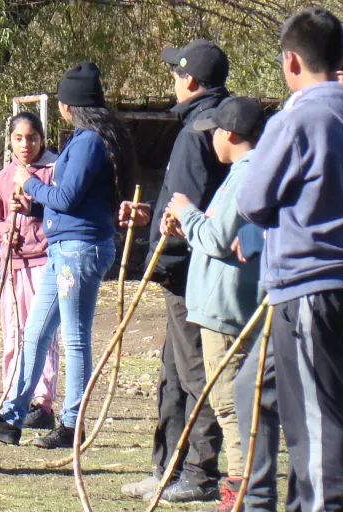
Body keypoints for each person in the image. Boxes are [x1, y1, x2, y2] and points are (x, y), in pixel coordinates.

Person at [0, 61, 132, 450]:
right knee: (34, 334)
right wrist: (35, 207)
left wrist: (29, 184)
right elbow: (69, 202)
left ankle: (72, 422)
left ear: (67, 104)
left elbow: (67, 197)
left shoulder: (89, 142)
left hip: (78, 252)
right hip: (63, 249)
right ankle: (10, 417)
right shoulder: (83, 140)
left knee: (74, 339)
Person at [235, 8, 343, 509]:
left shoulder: (298, 116)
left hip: (308, 289)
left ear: (291, 61)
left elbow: (253, 199)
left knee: (316, 429)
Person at [119, 39, 232, 503]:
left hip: (190, 273)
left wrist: (162, 263)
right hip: (203, 263)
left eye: (174, 74)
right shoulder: (225, 124)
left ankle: (199, 472)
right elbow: (196, 203)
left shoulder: (195, 132)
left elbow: (192, 209)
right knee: (172, 371)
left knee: (194, 372)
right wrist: (152, 213)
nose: (172, 81)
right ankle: (166, 467)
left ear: (189, 80)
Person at [160, 96, 266, 511]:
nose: (214, 139)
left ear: (233, 134)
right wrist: (189, 225)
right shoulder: (244, 173)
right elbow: (220, 236)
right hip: (223, 306)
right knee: (231, 402)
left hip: (225, 311)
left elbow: (220, 240)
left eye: (218, 132)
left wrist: (187, 213)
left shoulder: (244, 176)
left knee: (228, 404)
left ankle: (239, 492)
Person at [0, 111, 59, 429]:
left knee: (42, 335)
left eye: (31, 137)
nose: (25, 144)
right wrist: (3, 233)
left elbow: (63, 208)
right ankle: (13, 398)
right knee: (14, 334)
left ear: (41, 138)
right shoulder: (4, 177)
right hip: (12, 265)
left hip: (45, 262)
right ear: (10, 141)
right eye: (18, 138)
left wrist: (34, 210)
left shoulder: (54, 170)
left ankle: (41, 403)